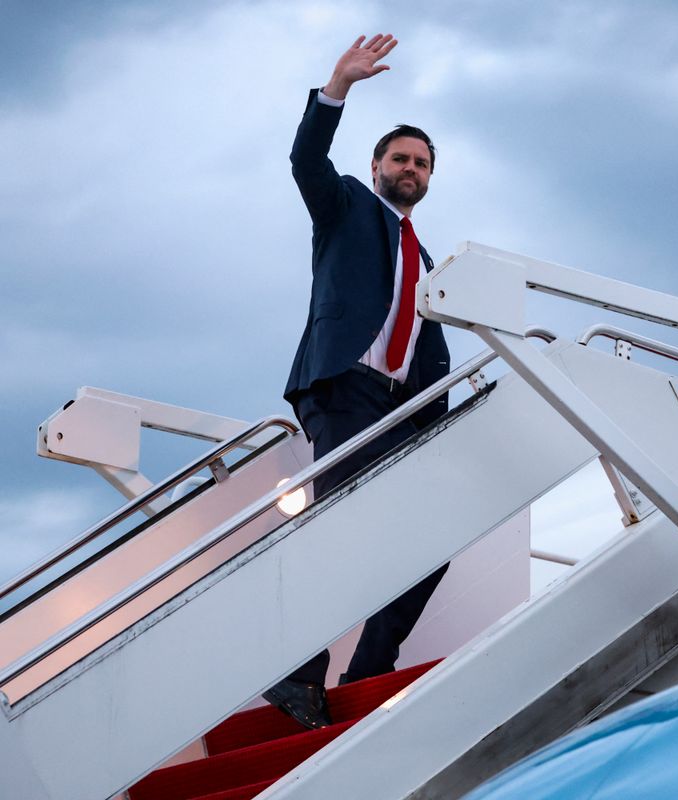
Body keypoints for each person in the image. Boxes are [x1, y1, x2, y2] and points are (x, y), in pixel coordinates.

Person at [264, 33, 451, 729]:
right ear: (377, 167)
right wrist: (336, 87)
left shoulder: (425, 258)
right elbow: (306, 161)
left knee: (436, 536)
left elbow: (426, 342)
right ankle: (295, 675)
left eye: (421, 163)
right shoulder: (345, 206)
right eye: (400, 158)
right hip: (346, 389)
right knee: (339, 527)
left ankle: (370, 670)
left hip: (400, 407)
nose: (411, 168)